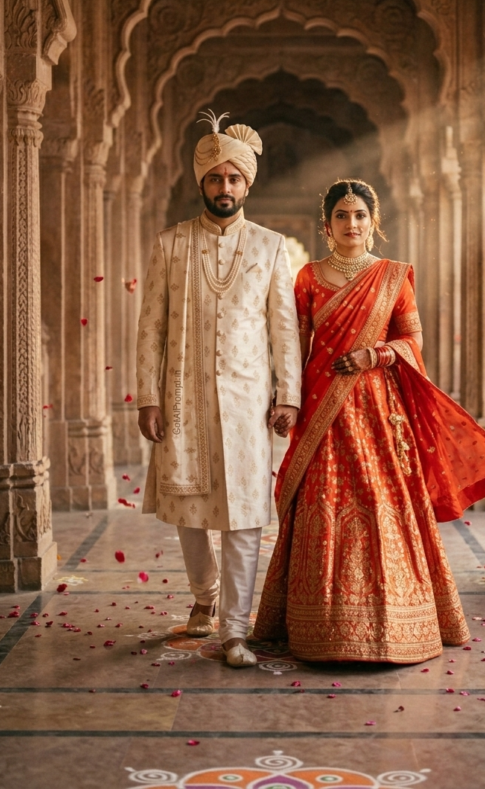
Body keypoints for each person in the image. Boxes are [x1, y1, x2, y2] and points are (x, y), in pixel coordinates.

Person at [254, 179, 485, 663]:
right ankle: (318, 624)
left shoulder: (393, 277)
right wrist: (287, 400)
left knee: (381, 502)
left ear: (373, 223)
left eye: (359, 215)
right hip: (322, 412)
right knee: (323, 501)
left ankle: (397, 622)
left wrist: (373, 355)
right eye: (341, 215)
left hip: (377, 409)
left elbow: (411, 344)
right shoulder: (308, 278)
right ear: (327, 224)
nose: (351, 224)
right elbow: (293, 348)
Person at [136, 111, 302, 667]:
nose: (224, 187)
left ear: (246, 184)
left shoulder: (271, 247)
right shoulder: (170, 244)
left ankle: (234, 629)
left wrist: (289, 395)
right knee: (187, 507)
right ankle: (205, 598)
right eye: (214, 178)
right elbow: (151, 328)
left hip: (248, 404)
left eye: (233, 178)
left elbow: (284, 329)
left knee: (246, 511)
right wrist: (149, 397)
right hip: (183, 399)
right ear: (200, 183)